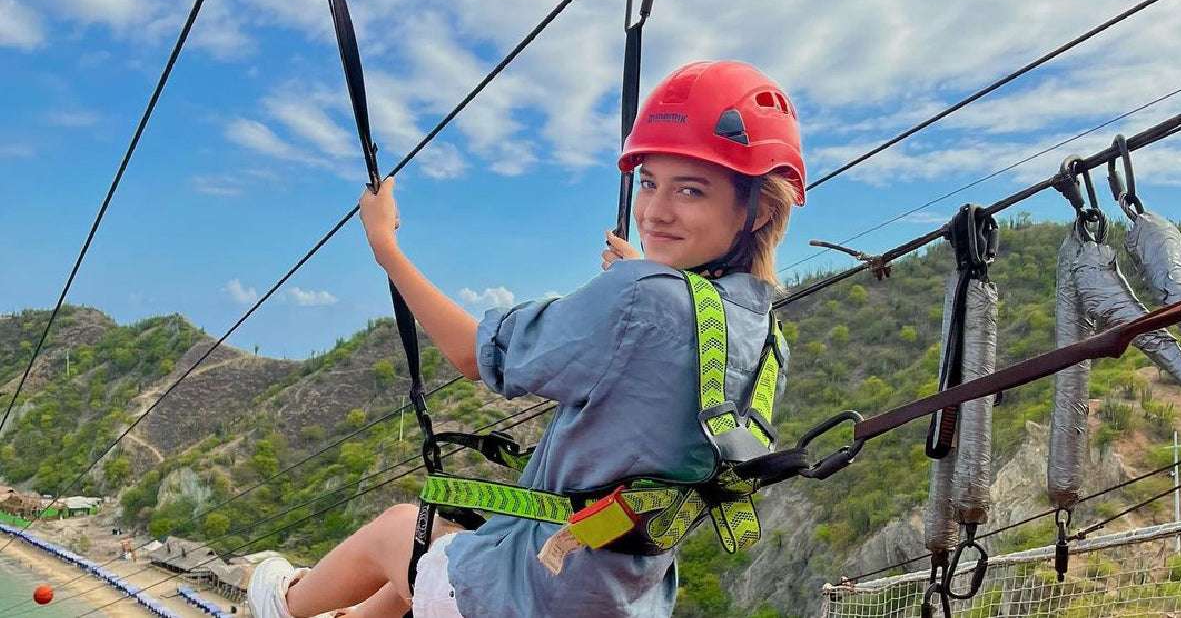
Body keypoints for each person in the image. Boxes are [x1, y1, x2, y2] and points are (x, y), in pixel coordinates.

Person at [248, 60, 806, 618]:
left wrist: (384, 246)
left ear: (757, 211)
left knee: (395, 531)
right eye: (649, 182)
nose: (655, 212)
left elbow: (473, 354)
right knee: (432, 555)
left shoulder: (644, 297)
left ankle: (283, 604)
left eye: (691, 190)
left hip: (534, 592)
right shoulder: (765, 339)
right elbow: (669, 367)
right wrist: (655, 278)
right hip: (619, 597)